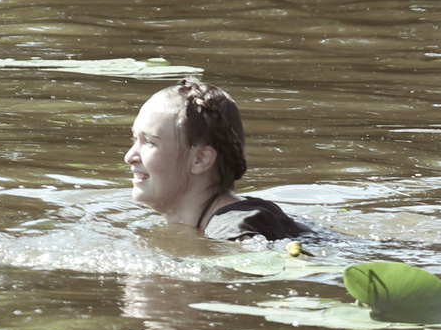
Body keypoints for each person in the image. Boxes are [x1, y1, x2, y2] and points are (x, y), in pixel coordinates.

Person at [123, 79, 309, 242]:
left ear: (200, 159)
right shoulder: (244, 219)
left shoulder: (236, 234)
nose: (129, 157)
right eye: (135, 139)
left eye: (149, 142)